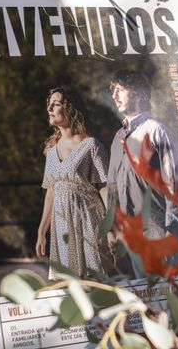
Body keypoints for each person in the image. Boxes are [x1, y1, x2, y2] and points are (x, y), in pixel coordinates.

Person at [36, 87, 113, 279]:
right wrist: (41, 231)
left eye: (56, 104)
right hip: (62, 225)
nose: (50, 108)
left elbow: (104, 188)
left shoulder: (91, 145)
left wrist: (112, 227)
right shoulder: (52, 151)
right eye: (49, 104)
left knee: (96, 281)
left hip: (89, 221)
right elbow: (51, 192)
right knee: (71, 284)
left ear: (70, 108)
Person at [107, 70, 178, 247]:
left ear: (137, 93)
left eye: (120, 89)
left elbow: (175, 184)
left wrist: (171, 231)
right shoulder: (117, 138)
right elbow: (112, 187)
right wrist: (111, 229)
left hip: (157, 233)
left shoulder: (157, 131)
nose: (114, 95)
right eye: (113, 90)